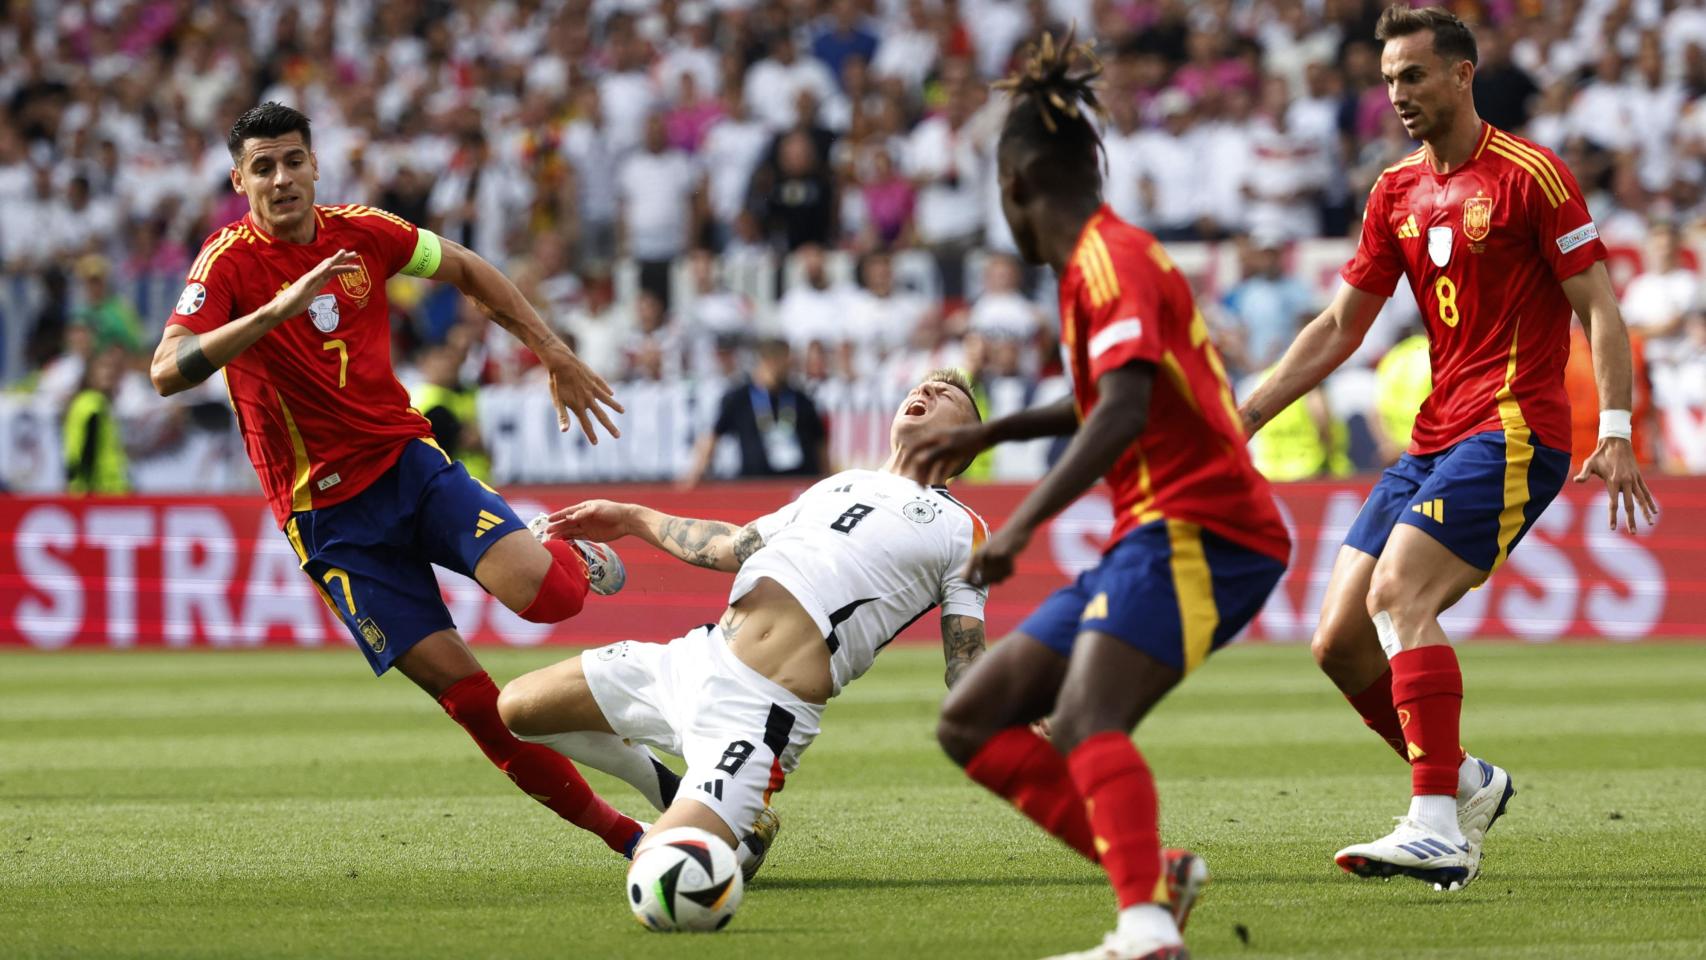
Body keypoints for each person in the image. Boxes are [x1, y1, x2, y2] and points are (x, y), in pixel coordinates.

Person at [147, 103, 645, 858]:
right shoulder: (226, 265)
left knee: (552, 600)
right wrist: (267, 315)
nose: (281, 179)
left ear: (315, 165)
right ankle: (635, 839)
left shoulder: (365, 233)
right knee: (481, 706)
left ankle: (560, 549)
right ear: (238, 180)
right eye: (263, 167)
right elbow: (164, 371)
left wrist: (553, 351)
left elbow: (469, 268)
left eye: (292, 161)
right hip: (330, 523)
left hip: (409, 466)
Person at [1237, 7, 1659, 892]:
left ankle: (1437, 825)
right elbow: (1340, 326)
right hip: (1432, 438)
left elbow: (1602, 307)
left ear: (1462, 75)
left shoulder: (1530, 176)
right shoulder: (1393, 190)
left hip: (1513, 428)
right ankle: (1466, 781)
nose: (1398, 94)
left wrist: (1616, 429)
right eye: (1389, 79)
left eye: (1415, 76)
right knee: (1340, 643)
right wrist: (1246, 415)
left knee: (1399, 594)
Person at [918, 34, 1292, 960]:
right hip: (1151, 533)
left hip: (1206, 526)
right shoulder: (1098, 268)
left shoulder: (1108, 263)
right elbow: (1110, 393)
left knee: (1085, 720)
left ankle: (1145, 929)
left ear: (1013, 190)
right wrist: (988, 432)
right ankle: (1153, 881)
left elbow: (1121, 412)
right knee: (972, 720)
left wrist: (1021, 524)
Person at [496, 371, 992, 879]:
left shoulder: (964, 529)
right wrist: (629, 517)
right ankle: (680, 797)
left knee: (661, 874)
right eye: (921, 388)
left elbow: (966, 656)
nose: (925, 392)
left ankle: (706, 829)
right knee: (517, 708)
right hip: (695, 659)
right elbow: (735, 546)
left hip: (756, 713)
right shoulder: (841, 483)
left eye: (947, 395)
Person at [680, 337, 829, 488]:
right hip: (756, 486)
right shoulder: (739, 398)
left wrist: (826, 482)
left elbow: (820, 444)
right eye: (783, 362)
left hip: (797, 484)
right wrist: (694, 476)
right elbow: (713, 436)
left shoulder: (801, 399)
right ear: (767, 361)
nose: (788, 368)